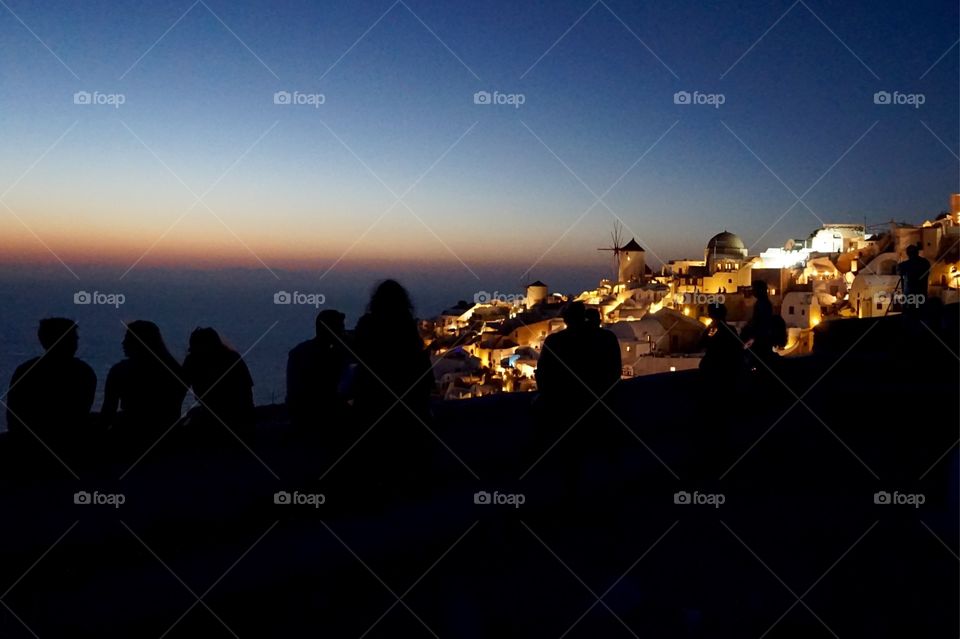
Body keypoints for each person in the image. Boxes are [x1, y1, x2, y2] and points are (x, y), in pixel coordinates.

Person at [350, 280, 434, 486]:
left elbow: (357, 353)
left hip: (373, 398)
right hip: (405, 398)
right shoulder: (405, 324)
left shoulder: (367, 324)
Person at [6, 318, 96, 447]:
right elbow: (82, 411)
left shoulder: (25, 370)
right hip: (72, 444)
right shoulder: (83, 371)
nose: (76, 342)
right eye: (73, 338)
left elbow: (13, 414)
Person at [101, 321, 186, 436]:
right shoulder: (175, 370)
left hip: (130, 432)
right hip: (170, 434)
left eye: (128, 338)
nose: (123, 343)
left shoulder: (120, 371)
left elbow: (108, 412)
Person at [182, 328, 255, 437]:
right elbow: (247, 392)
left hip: (222, 418)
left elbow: (179, 389)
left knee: (189, 420)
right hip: (242, 418)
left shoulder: (193, 361)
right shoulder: (233, 357)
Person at [286, 310, 350, 429]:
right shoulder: (334, 356)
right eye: (341, 328)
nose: (343, 332)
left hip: (303, 419)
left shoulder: (299, 352)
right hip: (320, 420)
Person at [699, 303, 743, 376]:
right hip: (727, 368)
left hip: (715, 367)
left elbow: (703, 343)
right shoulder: (731, 330)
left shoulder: (713, 330)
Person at [741, 281, 776, 369]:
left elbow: (759, 322)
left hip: (760, 339)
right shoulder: (764, 303)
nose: (753, 291)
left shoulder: (762, 304)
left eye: (754, 289)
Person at [897, 243, 930, 313]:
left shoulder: (905, 265)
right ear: (917, 252)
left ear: (908, 254)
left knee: (909, 316)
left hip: (910, 296)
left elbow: (899, 270)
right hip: (922, 294)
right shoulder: (925, 262)